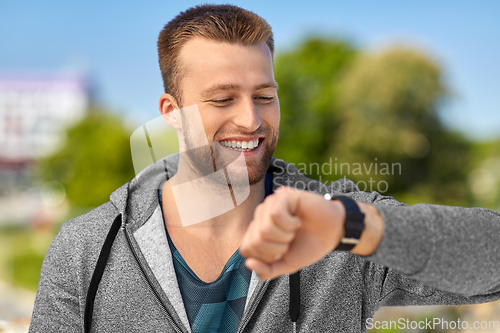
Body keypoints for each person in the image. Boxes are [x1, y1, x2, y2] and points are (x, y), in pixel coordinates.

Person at [29, 4, 500, 333]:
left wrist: (354, 226)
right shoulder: (85, 250)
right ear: (171, 111)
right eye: (222, 99)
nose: (251, 120)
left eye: (264, 97)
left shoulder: (338, 228)